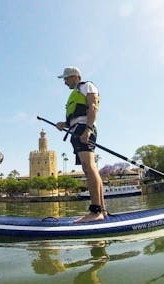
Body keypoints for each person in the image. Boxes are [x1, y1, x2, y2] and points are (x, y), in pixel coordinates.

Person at [55, 66, 105, 223]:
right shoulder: (74, 94)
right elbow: (76, 117)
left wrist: (88, 130)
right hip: (77, 130)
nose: (65, 82)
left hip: (84, 129)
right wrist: (64, 124)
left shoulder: (87, 86)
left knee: (89, 168)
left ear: (76, 76)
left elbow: (93, 107)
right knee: (89, 168)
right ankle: (101, 210)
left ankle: (96, 211)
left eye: (66, 78)